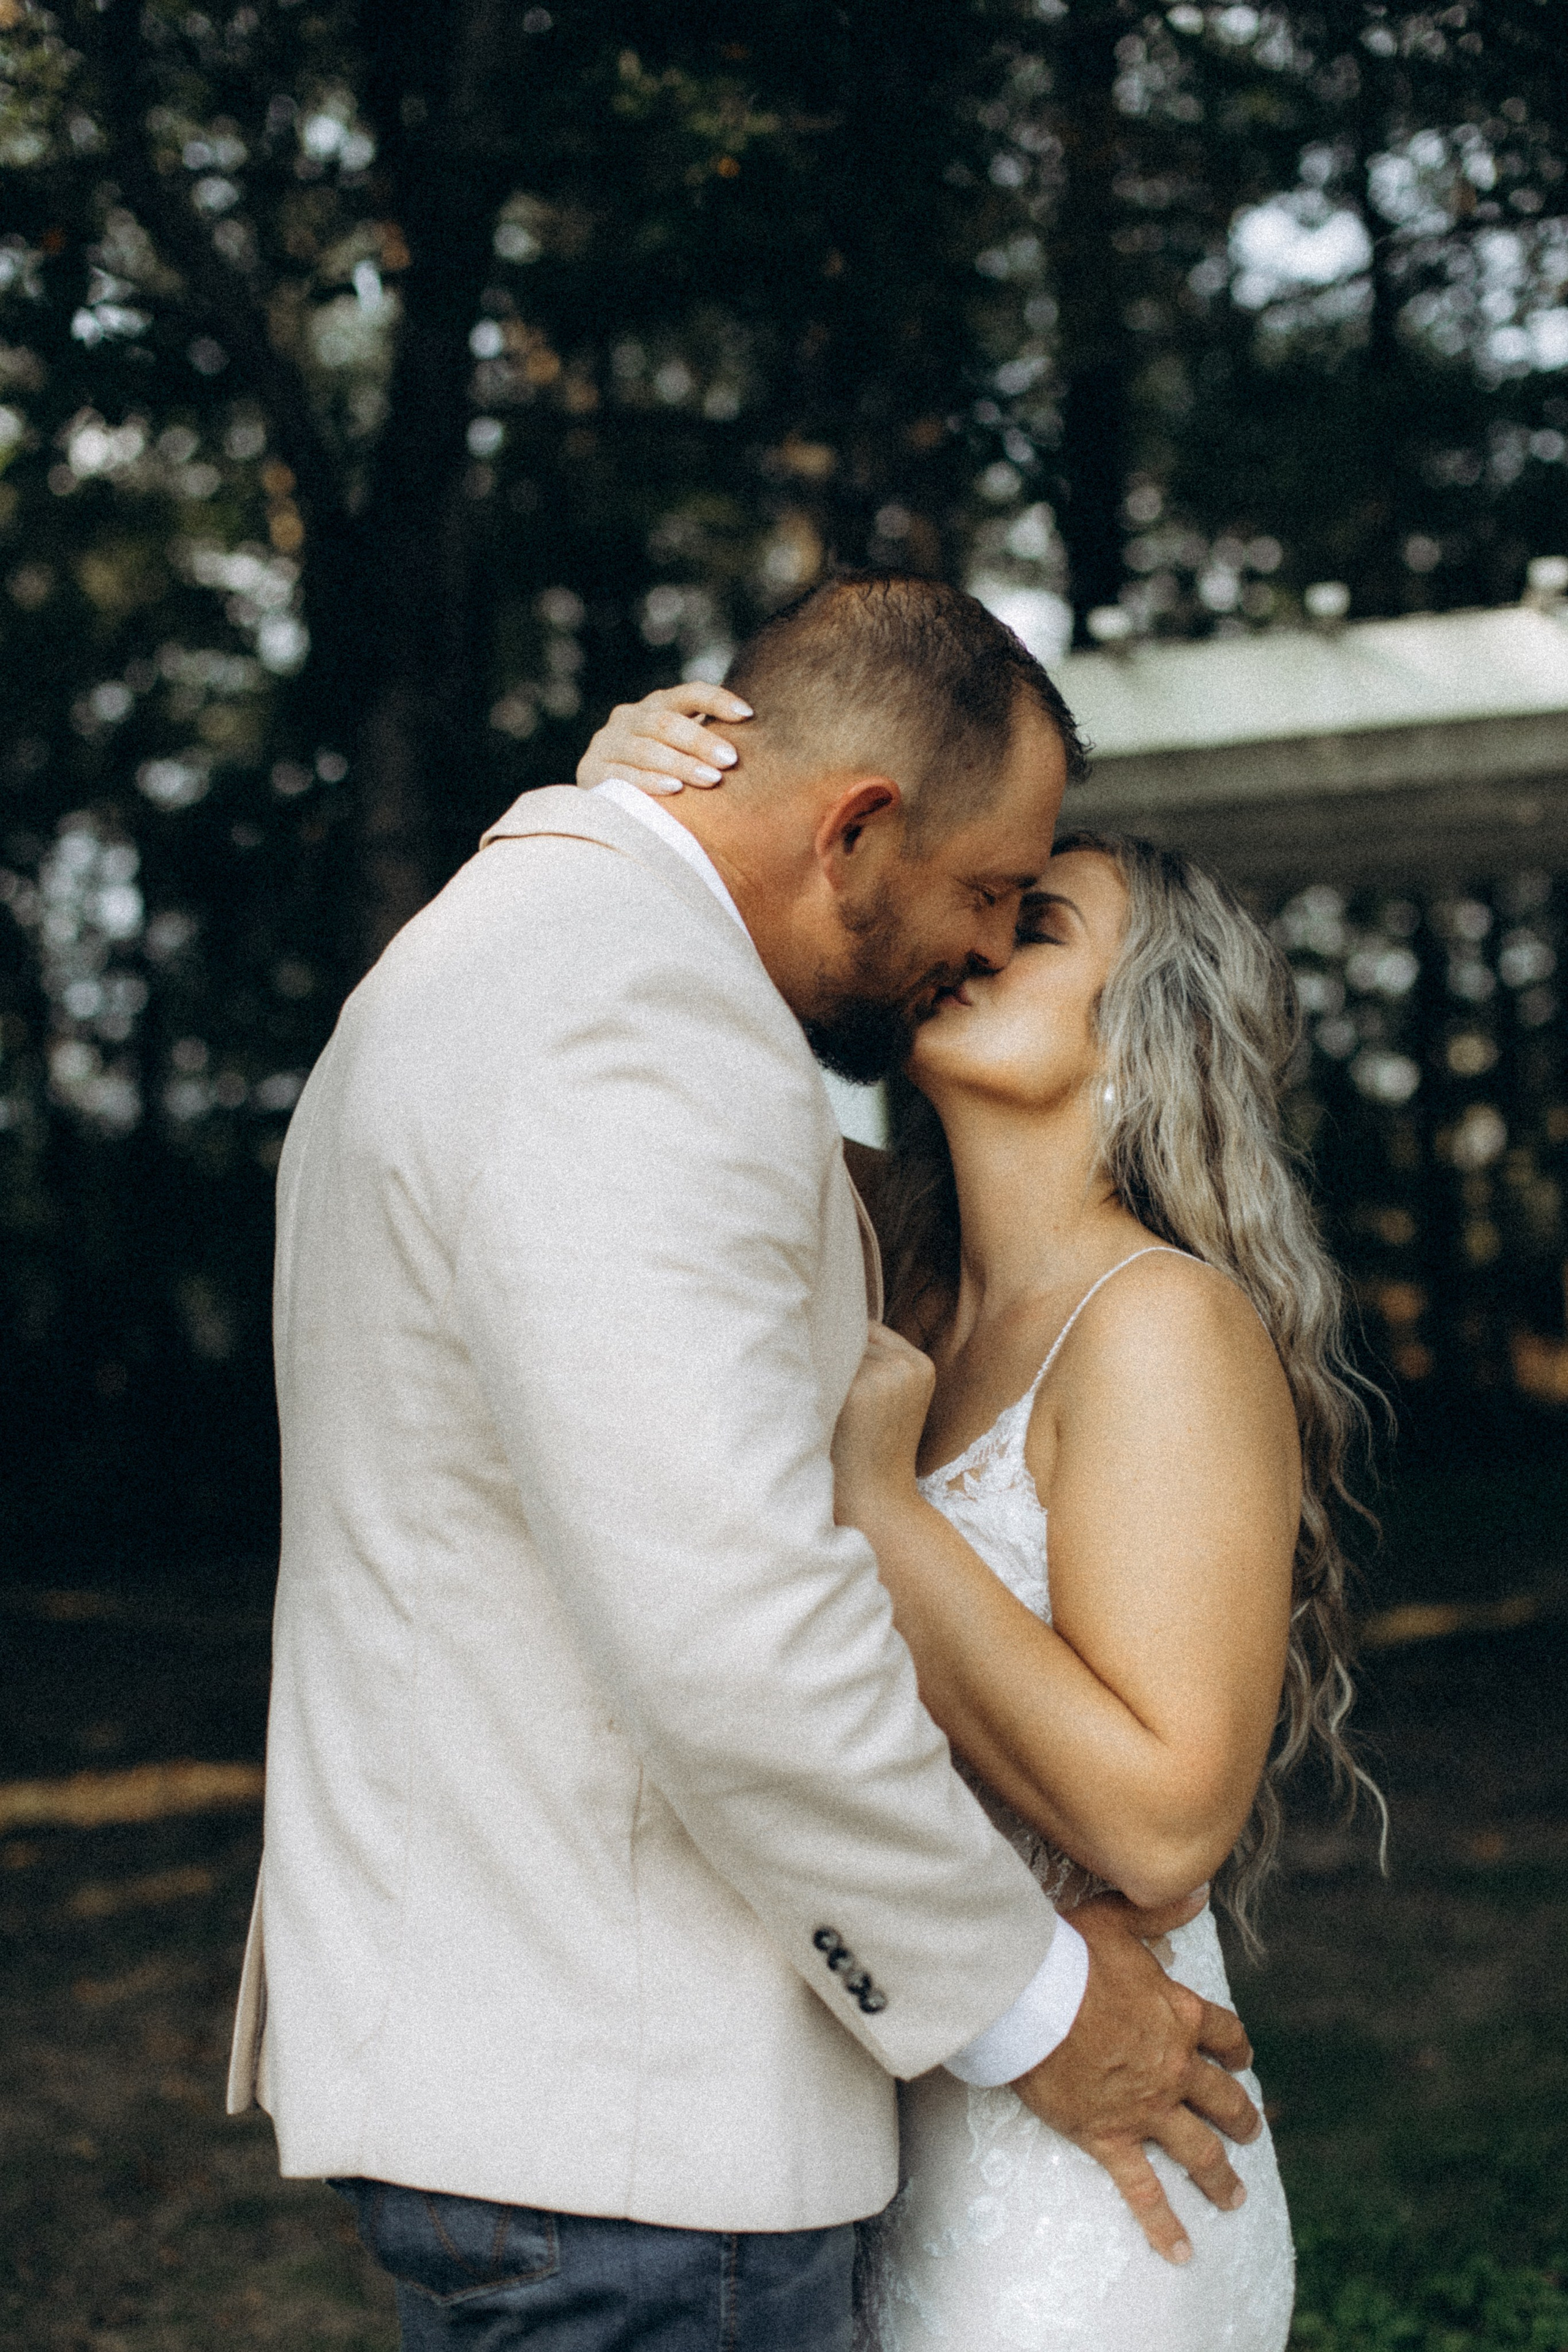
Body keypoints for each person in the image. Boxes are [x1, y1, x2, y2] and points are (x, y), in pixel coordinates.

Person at [228, 576, 1262, 2352]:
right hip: (627, 2110)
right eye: (989, 893)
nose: (988, 940)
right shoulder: (635, 1024)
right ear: (856, 822)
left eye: (1036, 919)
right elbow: (730, 1621)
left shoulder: (531, 957)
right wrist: (1032, 2012)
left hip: (605, 2082)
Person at [583, 687, 1382, 2349]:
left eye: (1043, 922)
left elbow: (1167, 1830)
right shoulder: (879, 1259)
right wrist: (634, 824)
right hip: (871, 2111)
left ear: (1145, 1021)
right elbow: (645, 1068)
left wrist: (882, 1504)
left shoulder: (1162, 1323)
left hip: (1082, 2185)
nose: (982, 935)